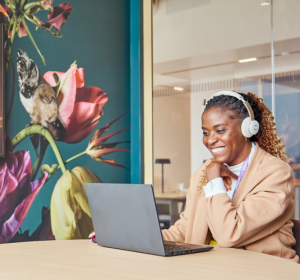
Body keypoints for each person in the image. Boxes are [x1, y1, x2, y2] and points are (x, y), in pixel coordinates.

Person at [90, 91, 299, 263]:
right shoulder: (203, 172)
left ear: (248, 129)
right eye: (205, 132)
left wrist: (215, 179)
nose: (210, 140)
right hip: (211, 272)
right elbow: (184, 230)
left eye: (220, 130)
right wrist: (125, 235)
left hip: (265, 275)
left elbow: (229, 234)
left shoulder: (275, 173)